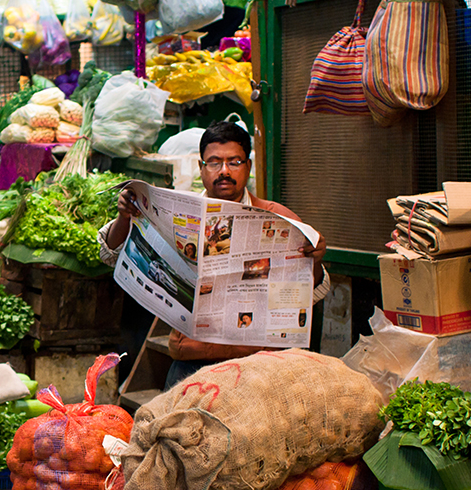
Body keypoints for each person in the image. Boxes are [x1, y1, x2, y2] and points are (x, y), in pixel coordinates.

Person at [98, 120, 330, 388]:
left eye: (234, 162)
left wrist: (315, 260)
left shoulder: (278, 217)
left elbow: (312, 292)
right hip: (193, 360)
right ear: (201, 167)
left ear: (248, 167)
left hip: (262, 364)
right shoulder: (177, 213)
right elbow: (110, 254)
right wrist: (124, 217)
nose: (224, 171)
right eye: (214, 162)